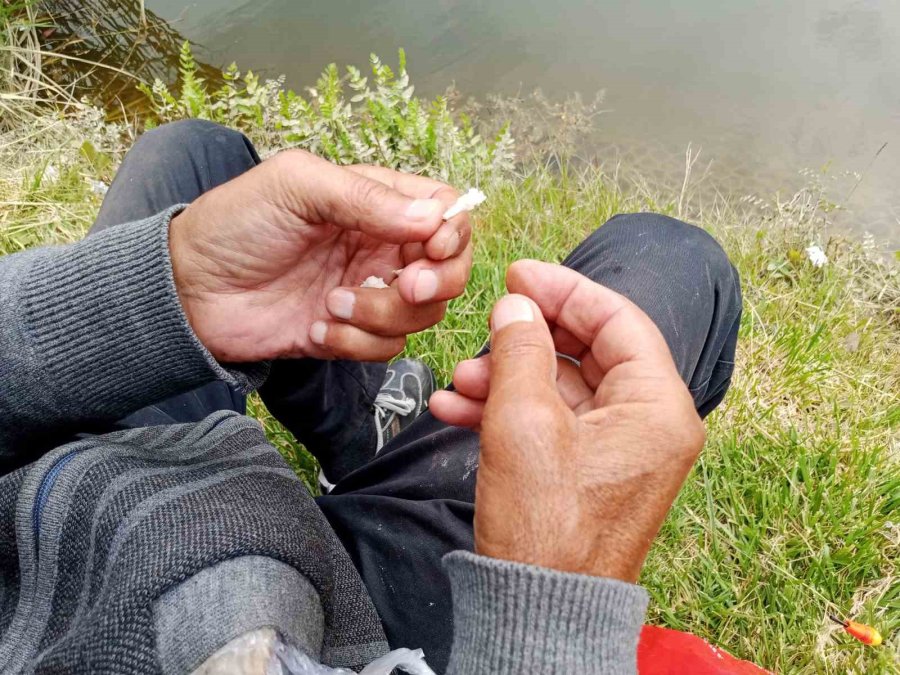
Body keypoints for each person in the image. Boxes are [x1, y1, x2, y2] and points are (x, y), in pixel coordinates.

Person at [0, 120, 741, 674]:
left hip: (78, 502)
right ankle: (373, 450)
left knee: (192, 158)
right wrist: (546, 614)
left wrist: (167, 289)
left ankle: (364, 435)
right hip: (346, 634)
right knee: (673, 262)